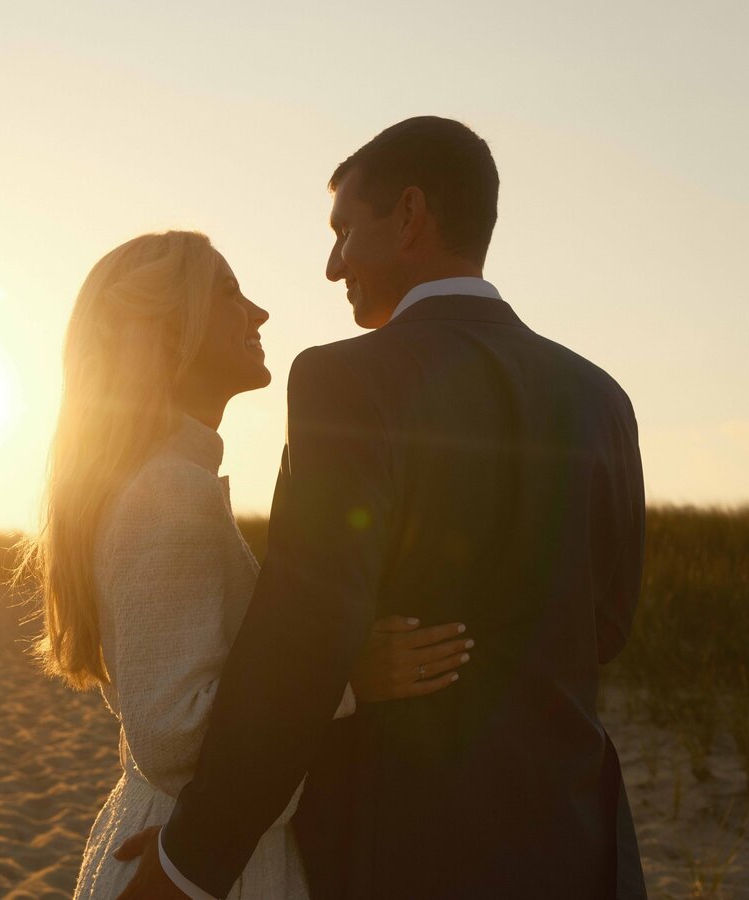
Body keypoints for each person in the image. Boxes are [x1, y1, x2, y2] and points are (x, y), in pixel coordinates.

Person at [113, 117, 647, 899]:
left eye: (343, 232)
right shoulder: (603, 398)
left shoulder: (346, 382)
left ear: (408, 216)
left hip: (400, 851)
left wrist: (190, 862)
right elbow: (607, 625)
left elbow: (302, 644)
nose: (332, 267)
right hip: (573, 843)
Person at [13, 230, 475, 898]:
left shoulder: (165, 479)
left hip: (194, 838)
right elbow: (173, 737)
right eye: (228, 292)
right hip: (201, 859)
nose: (259, 313)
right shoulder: (168, 490)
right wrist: (350, 677)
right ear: (169, 331)